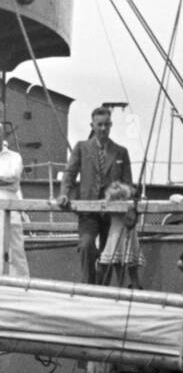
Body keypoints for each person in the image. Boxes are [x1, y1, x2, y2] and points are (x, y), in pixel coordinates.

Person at [58, 106, 133, 284]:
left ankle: (103, 288)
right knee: (86, 245)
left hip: (112, 214)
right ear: (92, 125)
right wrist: (64, 194)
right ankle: (88, 286)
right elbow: (69, 173)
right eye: (99, 125)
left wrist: (122, 198)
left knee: (109, 252)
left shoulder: (120, 151)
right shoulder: (82, 148)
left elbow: (128, 183)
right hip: (88, 212)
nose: (103, 128)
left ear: (111, 125)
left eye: (106, 125)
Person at [98, 181, 143, 289]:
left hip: (118, 235)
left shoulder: (116, 206)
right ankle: (130, 288)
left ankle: (123, 288)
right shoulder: (128, 206)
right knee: (129, 268)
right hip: (123, 235)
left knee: (122, 267)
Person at [0, 140, 29, 277]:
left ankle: (20, 286)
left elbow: (12, 175)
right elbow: (7, 177)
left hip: (11, 203)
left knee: (15, 248)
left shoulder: (15, 157)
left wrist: (9, 180)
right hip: (9, 196)